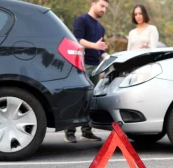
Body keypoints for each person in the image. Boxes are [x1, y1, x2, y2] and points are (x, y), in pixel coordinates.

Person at [64, 0, 109, 143]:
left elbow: (101, 50)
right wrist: (94, 46)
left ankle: (87, 132)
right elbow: (77, 40)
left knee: (90, 100)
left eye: (106, 8)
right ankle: (70, 132)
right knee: (77, 99)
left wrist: (109, 58)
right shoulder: (81, 20)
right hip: (81, 65)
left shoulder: (101, 28)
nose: (104, 10)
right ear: (93, 3)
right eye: (102, 6)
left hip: (96, 67)